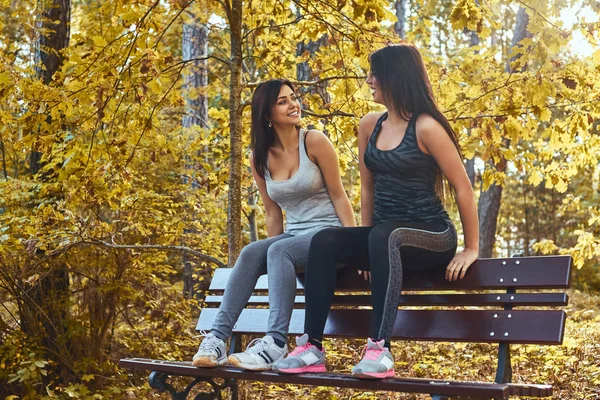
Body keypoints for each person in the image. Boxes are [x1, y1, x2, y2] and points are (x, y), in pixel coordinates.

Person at [272, 43, 479, 378]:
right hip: (386, 239)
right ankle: (311, 346)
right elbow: (367, 189)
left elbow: (463, 188)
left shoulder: (426, 128)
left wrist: (471, 248)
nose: (368, 80)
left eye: (374, 74)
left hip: (432, 236)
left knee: (386, 235)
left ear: (394, 78)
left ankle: (380, 349)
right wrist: (368, 248)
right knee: (324, 241)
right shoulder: (370, 125)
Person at [192, 79, 356, 371]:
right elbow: (272, 213)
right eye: (283, 101)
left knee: (279, 251)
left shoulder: (314, 141)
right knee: (253, 251)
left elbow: (340, 196)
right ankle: (216, 338)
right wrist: (273, 254)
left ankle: (276, 343)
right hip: (296, 239)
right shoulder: (259, 158)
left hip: (331, 239)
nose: (294, 104)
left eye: (293, 97)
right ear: (267, 115)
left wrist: (355, 245)